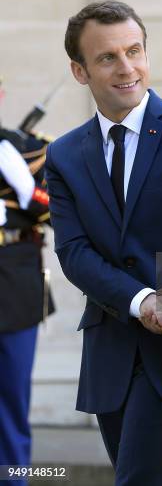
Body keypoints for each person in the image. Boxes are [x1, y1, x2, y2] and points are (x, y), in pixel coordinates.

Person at [45, 0, 162, 485]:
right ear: (80, 72)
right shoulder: (63, 154)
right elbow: (74, 252)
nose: (127, 68)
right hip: (111, 350)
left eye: (135, 51)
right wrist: (141, 300)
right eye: (108, 58)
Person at [0, 91, 54, 486]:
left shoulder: (28, 149)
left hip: (13, 281)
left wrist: (24, 191)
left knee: (10, 400)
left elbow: (60, 209)